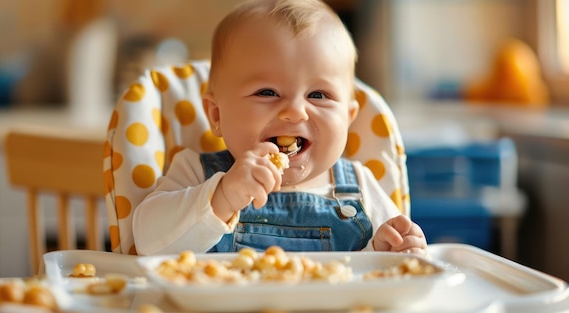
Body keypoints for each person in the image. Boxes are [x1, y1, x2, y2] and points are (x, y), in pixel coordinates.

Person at [132, 0, 427, 256]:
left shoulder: (362, 188)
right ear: (216, 115)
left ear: (348, 119)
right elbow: (148, 244)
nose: (295, 112)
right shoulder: (195, 174)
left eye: (318, 95)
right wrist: (222, 197)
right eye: (267, 92)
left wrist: (389, 250)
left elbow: (380, 275)